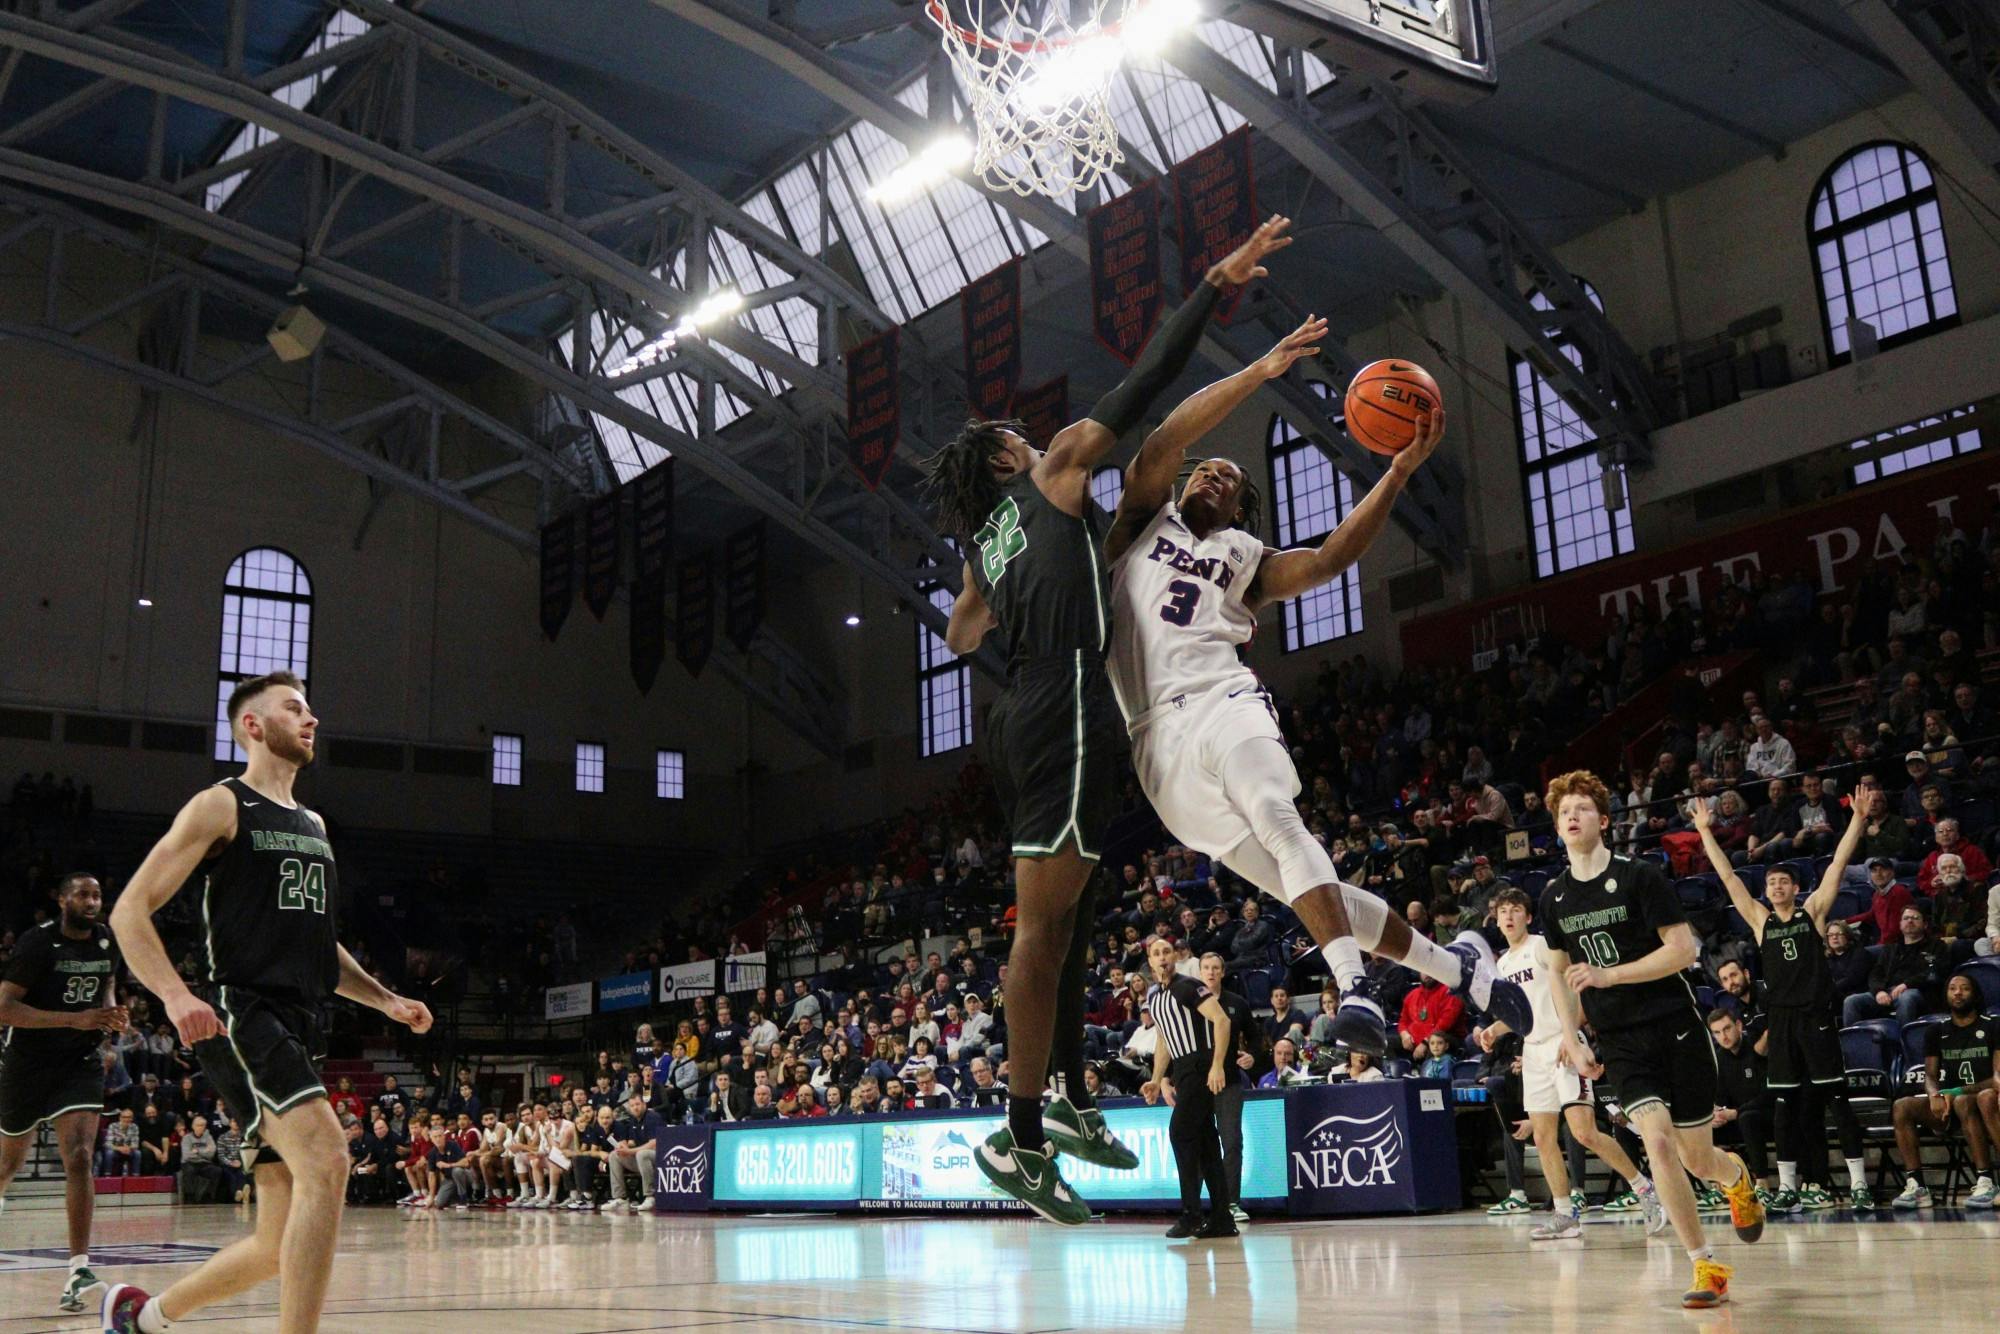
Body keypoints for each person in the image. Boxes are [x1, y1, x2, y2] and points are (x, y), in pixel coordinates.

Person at [933, 221, 1301, 1225]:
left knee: (1075, 913)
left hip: (1023, 710)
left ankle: (1066, 1098)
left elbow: (961, 631)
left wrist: (1019, 578)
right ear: (1007, 455)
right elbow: (1143, 387)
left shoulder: (986, 541)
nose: (1040, 438)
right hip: (1065, 700)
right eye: (1021, 436)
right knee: (1044, 928)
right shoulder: (1050, 473)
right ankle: (1018, 1138)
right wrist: (1214, 286)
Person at [1098, 312, 1530, 1061]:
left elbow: (1329, 559)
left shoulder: (1247, 557)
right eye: (1205, 470)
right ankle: (1459, 967)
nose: (1211, 474)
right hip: (1155, 747)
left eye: (1229, 478)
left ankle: (1355, 989)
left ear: (1241, 509)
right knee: (1305, 891)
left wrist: (1397, 471)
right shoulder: (1140, 522)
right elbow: (1165, 439)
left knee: (1278, 816)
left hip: (1222, 702)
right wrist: (1260, 371)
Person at [102, 670, 433, 1334]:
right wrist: (174, 994)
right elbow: (128, 910)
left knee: (275, 1244)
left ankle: (141, 1317)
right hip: (243, 1014)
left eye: (309, 709)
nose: (311, 720)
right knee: (329, 1159)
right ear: (253, 725)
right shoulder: (221, 805)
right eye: (294, 709)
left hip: (302, 1020)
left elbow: (318, 943)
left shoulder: (313, 824)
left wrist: (386, 1000)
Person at [1538, 770, 1763, 1310]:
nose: (1572, 816)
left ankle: (1736, 1176)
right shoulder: (1553, 897)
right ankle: (1705, 1264)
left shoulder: (1639, 876)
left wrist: (1610, 975)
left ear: (1604, 820)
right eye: (1564, 811)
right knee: (1656, 1141)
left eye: (1582, 808)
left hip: (1675, 1026)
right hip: (1619, 1040)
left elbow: (1683, 951)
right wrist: (1572, 1036)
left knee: (1698, 1159)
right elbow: (1557, 974)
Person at [1697, 788, 1875, 1211]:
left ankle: (1859, 1185)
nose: (1776, 885)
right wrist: (1705, 832)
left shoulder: (1812, 913)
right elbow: (1729, 879)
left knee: (1837, 1101)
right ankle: (1788, 1187)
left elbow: (1837, 865)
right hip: (1782, 1023)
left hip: (1815, 1018)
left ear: (1795, 887)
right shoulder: (1761, 922)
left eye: (1783, 881)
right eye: (1771, 881)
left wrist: (1858, 819)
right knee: (1783, 1104)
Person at [1477, 887, 1665, 1242]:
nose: (1509, 916)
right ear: (1496, 920)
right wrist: (1494, 1030)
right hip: (1533, 1051)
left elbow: (1578, 991)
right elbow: (1521, 1013)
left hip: (1563, 1045)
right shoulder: (1502, 964)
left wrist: (1571, 1034)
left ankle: (1644, 1189)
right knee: (1543, 1137)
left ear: (1528, 917)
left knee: (1583, 1132)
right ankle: (1565, 1215)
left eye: (1515, 909)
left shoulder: (1542, 947)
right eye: (1503, 911)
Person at [0, 871, 126, 1313]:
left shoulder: (107, 941)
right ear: (62, 900)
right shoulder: (37, 943)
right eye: (83, 895)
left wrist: (109, 1013)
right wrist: (75, 1018)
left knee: (80, 1156)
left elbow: (107, 984)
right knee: (7, 1165)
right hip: (28, 1063)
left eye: (97, 895)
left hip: (79, 1061)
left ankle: (78, 1270)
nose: (92, 902)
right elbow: (4, 1008)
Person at [1139, 936, 1236, 1240]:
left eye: (1167, 951)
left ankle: (1192, 1214)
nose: (1162, 957)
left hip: (1200, 1065)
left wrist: (1217, 1064)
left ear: (1175, 957)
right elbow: (1164, 1039)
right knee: (1207, 1144)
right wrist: (1156, 1078)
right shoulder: (1154, 997)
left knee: (1180, 1133)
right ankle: (1222, 1219)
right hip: (1182, 1070)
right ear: (1150, 961)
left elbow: (1222, 1020)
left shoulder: (1189, 986)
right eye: (1156, 953)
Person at [1888, 973, 1998, 1210]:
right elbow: (1930, 1075)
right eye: (1952, 988)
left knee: (1963, 1101)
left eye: (1965, 988)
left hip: (1984, 1103)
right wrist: (1934, 1095)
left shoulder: (1992, 1026)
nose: (1958, 993)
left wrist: (1955, 1091)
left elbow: (1997, 1079)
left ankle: (1986, 1180)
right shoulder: (1936, 1031)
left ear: (1975, 994)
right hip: (1950, 1105)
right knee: (1902, 1107)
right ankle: (1917, 1186)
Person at [1198, 952, 1259, 1224]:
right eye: (1206, 968)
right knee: (1198, 1143)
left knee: (1232, 1141)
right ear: (1200, 972)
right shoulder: (1191, 1004)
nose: (1211, 972)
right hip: (1198, 1082)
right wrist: (1166, 1078)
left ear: (1222, 972)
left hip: (1229, 1081)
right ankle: (1194, 1207)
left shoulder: (1237, 1003)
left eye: (1215, 968)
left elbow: (1256, 1038)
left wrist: (1252, 1056)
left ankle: (1231, 1202)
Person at [1706, 1009, 1776, 1197]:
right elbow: (1720, 1098)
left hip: (1768, 1116)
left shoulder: (1757, 1049)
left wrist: (1736, 1112)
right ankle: (1719, 1185)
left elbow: (1768, 1094)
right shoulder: (1719, 1058)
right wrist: (1716, 1114)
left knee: (1748, 1118)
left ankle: (1762, 1184)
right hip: (1737, 1118)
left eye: (1727, 1029)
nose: (1723, 1036)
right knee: (1705, 1126)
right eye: (1717, 1032)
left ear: (1738, 1025)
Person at [1844, 905, 1948, 1025]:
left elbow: (1934, 972)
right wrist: (1878, 991)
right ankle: (1853, 1037)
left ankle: (1906, 1036)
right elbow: (1876, 973)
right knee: (1851, 1001)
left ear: (1925, 925)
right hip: (1887, 992)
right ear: (1900, 924)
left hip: (1920, 992)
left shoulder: (1937, 946)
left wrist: (1907, 984)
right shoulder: (1891, 948)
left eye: (1915, 918)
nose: (1910, 921)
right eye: (1906, 918)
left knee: (1906, 997)